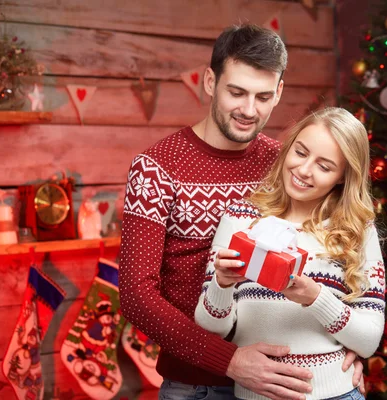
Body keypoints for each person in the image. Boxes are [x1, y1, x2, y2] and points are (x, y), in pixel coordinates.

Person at [118, 24, 364, 400]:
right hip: (196, 386)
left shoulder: (285, 164)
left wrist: (345, 345)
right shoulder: (156, 168)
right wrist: (230, 361)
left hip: (286, 382)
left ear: (279, 91)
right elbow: (137, 295)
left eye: (263, 96)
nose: (249, 110)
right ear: (209, 81)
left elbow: (333, 254)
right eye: (236, 92)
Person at [194, 107, 386, 400]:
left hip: (335, 393)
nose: (304, 170)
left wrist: (316, 298)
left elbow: (369, 340)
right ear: (288, 148)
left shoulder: (358, 229)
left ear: (342, 177)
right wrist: (221, 284)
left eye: (324, 166)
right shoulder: (240, 218)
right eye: (301, 152)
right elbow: (213, 329)